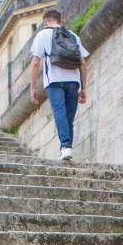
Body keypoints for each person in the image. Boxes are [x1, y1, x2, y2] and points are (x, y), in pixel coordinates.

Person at [29, 9, 89, 161]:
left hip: (54, 80)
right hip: (73, 81)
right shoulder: (73, 36)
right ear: (60, 21)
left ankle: (65, 147)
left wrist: (32, 88)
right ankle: (65, 148)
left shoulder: (42, 35)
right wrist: (84, 88)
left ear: (45, 22)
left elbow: (35, 62)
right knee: (68, 118)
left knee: (59, 112)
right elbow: (83, 63)